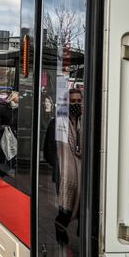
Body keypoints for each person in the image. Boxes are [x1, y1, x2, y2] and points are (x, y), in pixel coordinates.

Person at [44, 89, 83, 245]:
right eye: (72, 102)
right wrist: (62, 164)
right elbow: (48, 151)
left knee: (83, 205)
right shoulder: (57, 123)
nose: (76, 104)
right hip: (65, 174)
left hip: (83, 172)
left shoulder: (86, 122)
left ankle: (84, 234)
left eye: (78, 101)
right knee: (65, 210)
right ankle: (60, 228)